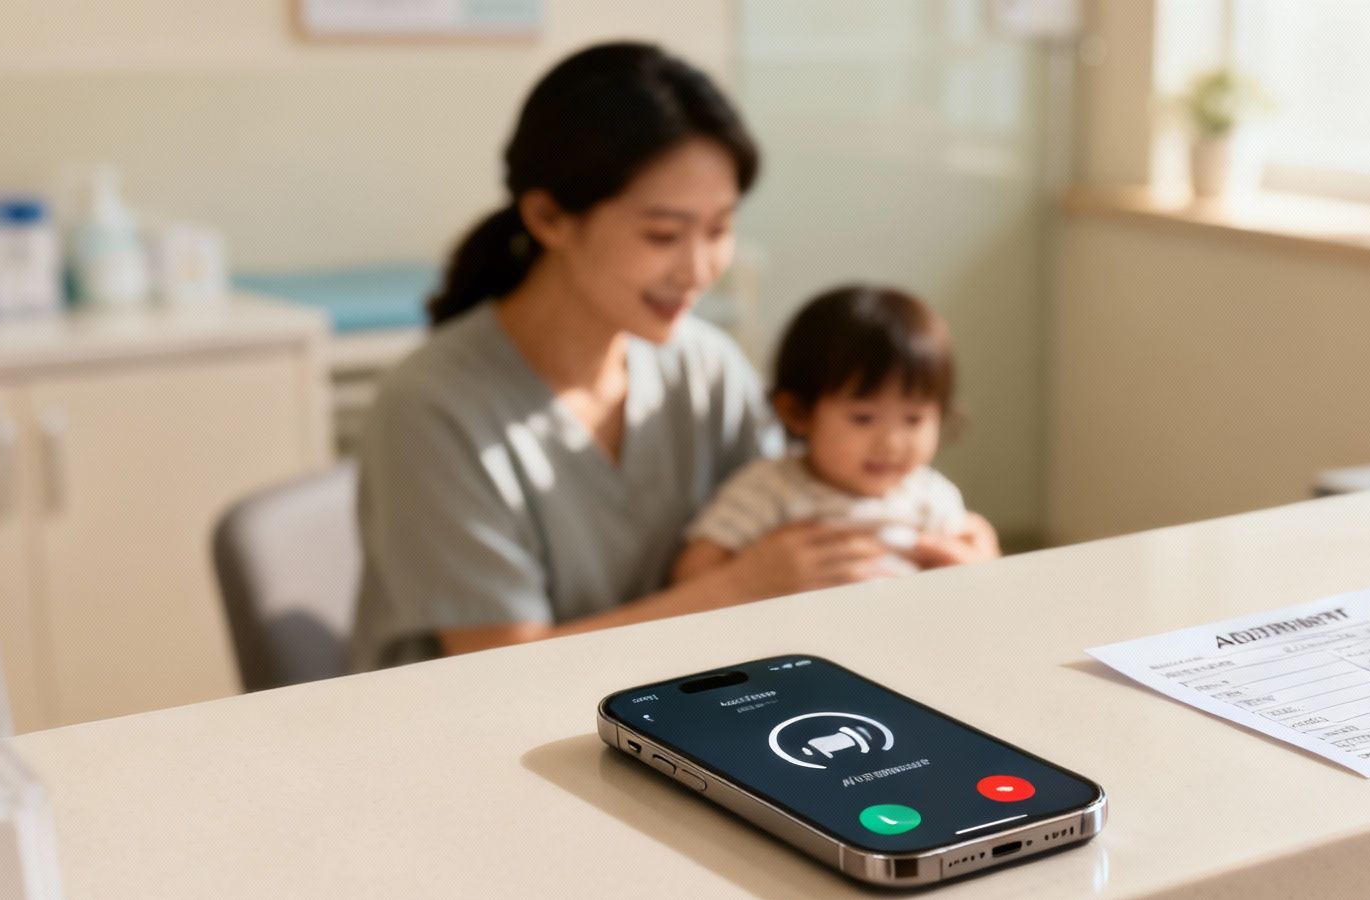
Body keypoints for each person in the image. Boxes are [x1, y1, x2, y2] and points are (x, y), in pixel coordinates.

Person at [350, 43, 909, 671]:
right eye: (663, 235)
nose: (699, 270)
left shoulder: (708, 369)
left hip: (672, 711)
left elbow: (799, 531)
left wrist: (943, 561)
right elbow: (499, 669)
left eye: (720, 229)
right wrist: (734, 589)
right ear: (548, 217)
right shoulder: (432, 410)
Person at [673, 286, 999, 584]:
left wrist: (974, 570)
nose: (892, 443)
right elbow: (692, 575)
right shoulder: (768, 491)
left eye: (914, 419)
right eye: (863, 418)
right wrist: (753, 576)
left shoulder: (931, 498)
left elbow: (976, 578)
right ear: (797, 413)